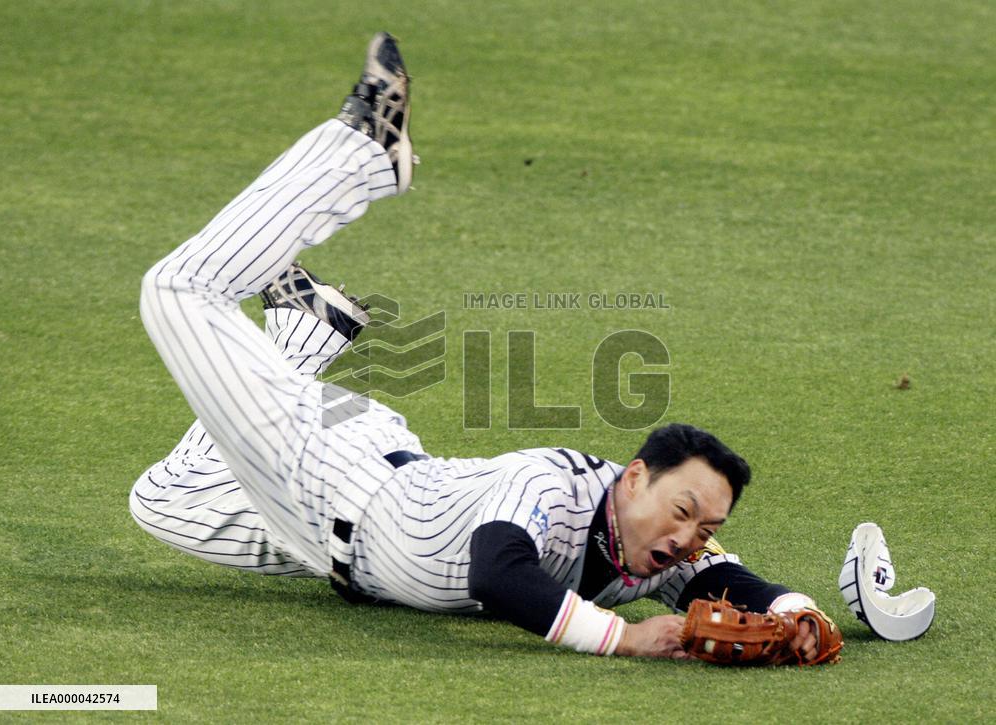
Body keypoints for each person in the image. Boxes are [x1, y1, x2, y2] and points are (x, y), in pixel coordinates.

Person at [133, 32, 828, 660]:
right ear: (636, 475)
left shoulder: (652, 549)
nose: (691, 537)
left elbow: (733, 579)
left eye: (706, 527)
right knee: (177, 289)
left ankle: (306, 332)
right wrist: (622, 636)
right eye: (684, 512)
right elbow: (497, 574)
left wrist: (800, 613)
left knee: (159, 500)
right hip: (332, 465)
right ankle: (362, 155)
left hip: (324, 530)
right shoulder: (551, 484)